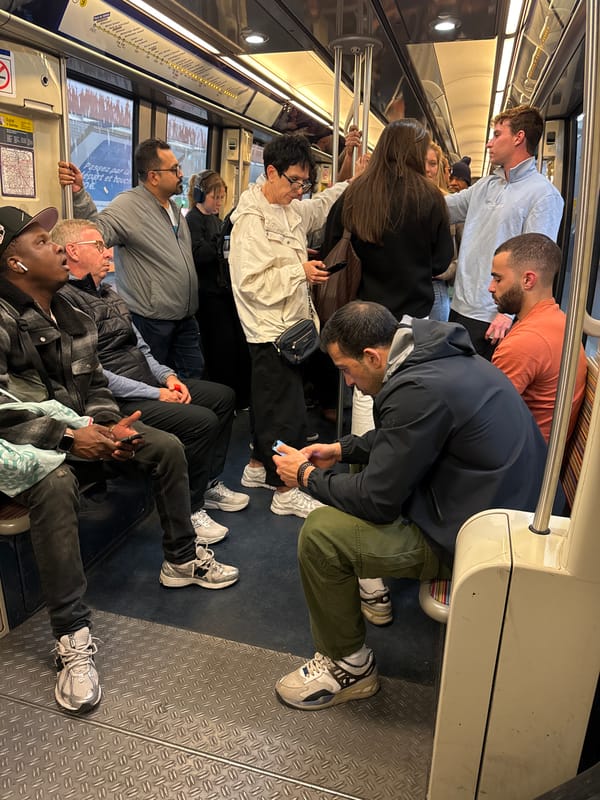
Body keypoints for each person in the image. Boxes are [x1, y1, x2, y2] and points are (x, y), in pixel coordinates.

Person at [0, 205, 239, 714]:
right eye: (43, 243)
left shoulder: (74, 311)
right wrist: (70, 437)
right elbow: (4, 412)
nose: (58, 250)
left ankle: (180, 558)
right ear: (15, 263)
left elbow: (96, 384)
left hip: (80, 429)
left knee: (165, 447)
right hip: (23, 448)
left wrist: (106, 424)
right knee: (55, 484)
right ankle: (71, 634)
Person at [271, 301, 549, 710]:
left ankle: (350, 668)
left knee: (320, 534)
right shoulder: (434, 354)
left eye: (346, 369)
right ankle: (366, 590)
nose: (347, 383)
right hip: (498, 506)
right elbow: (409, 439)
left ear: (372, 356)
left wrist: (306, 478)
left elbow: (378, 501)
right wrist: (342, 447)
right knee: (349, 478)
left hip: (481, 542)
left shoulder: (418, 389)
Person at [53, 218, 249, 542]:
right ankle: (191, 507)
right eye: (99, 246)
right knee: (201, 421)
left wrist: (168, 377)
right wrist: (155, 394)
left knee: (223, 396)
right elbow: (96, 372)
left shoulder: (109, 294)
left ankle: (208, 483)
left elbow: (141, 346)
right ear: (73, 251)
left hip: (148, 382)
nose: (108, 253)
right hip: (120, 397)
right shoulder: (66, 303)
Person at [228, 133, 352, 518]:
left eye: (304, 183)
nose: (299, 190)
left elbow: (321, 205)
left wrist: (353, 175)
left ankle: (255, 467)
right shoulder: (250, 223)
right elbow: (251, 284)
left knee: (268, 404)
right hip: (269, 330)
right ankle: (285, 490)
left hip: (288, 325)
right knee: (286, 413)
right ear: (271, 172)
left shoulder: (288, 209)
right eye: (293, 181)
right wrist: (299, 272)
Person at [58, 138, 204, 378]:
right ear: (153, 176)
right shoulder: (129, 206)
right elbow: (96, 230)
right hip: (152, 321)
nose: (181, 174)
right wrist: (79, 195)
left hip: (185, 317)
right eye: (175, 168)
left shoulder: (174, 208)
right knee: (159, 382)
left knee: (193, 375)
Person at [446, 105, 564, 360]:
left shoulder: (543, 195)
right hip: (459, 307)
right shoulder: (486, 185)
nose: (489, 143)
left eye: (497, 135)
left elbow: (535, 263)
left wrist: (507, 315)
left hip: (494, 318)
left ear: (518, 137)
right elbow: (446, 209)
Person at [489, 233, 587, 442]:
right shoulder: (559, 321)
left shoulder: (525, 342)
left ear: (528, 280)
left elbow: (486, 420)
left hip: (522, 461)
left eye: (498, 278)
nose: (491, 287)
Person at [184, 170, 251, 408]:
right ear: (201, 196)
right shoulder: (192, 220)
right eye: (215, 198)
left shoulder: (215, 219)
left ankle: (240, 395)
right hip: (208, 295)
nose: (219, 203)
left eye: (222, 198)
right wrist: (220, 241)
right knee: (220, 348)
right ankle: (226, 398)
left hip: (223, 291)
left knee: (236, 345)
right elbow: (199, 255)